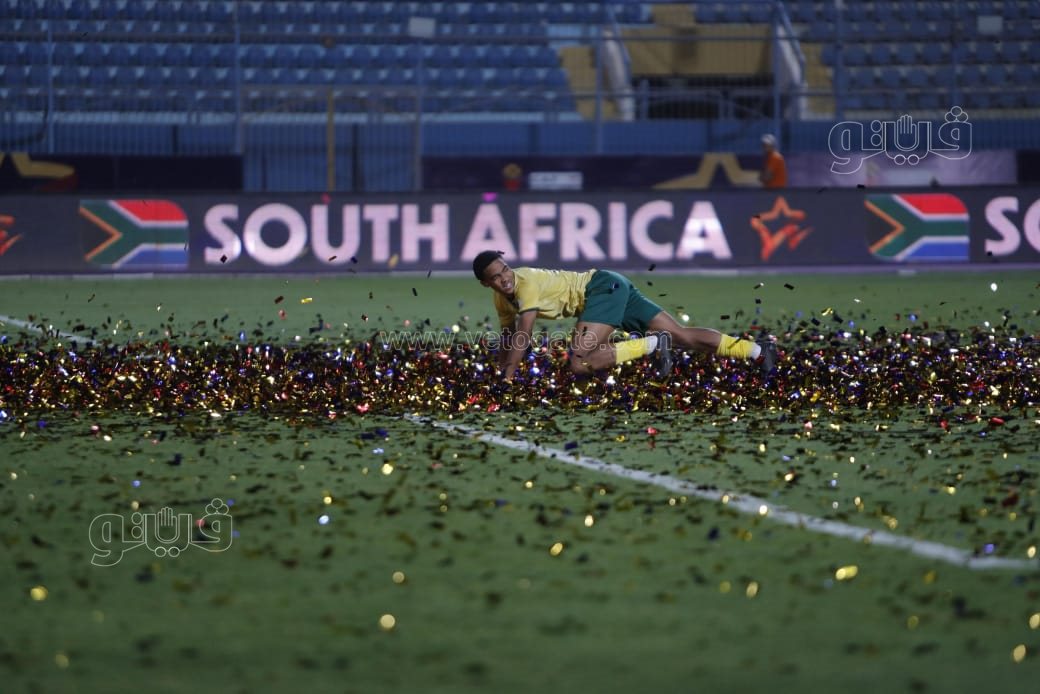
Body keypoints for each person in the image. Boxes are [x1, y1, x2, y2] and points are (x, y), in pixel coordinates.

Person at [472, 250, 778, 383]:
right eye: (496, 277)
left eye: (505, 270)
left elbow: (524, 333)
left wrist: (506, 379)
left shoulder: (525, 283)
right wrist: (501, 368)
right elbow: (509, 338)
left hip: (601, 290)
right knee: (682, 336)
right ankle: (758, 351)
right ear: (486, 284)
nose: (505, 278)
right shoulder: (501, 299)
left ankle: (653, 344)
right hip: (611, 284)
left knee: (579, 362)